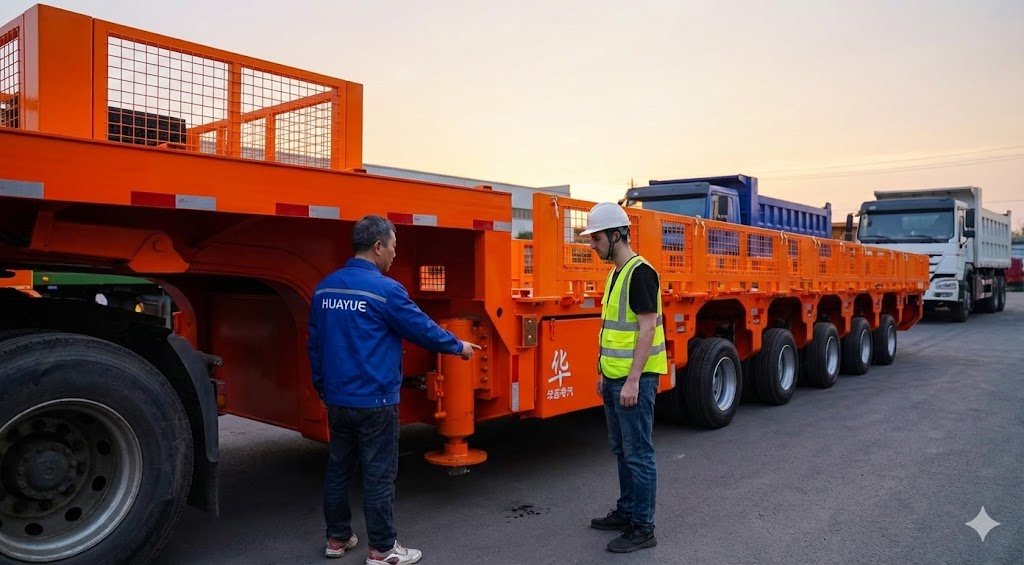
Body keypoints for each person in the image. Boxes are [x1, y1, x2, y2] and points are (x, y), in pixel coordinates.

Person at [308, 215, 480, 563]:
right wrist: (457, 347)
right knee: (379, 474)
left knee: (339, 470)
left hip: (338, 399)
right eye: (392, 247)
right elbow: (421, 328)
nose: (394, 255)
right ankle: (383, 548)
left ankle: (337, 539)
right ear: (377, 247)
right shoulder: (386, 290)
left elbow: (315, 345)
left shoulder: (325, 288)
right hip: (375, 399)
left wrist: (323, 389)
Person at [581, 202, 667, 553]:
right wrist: (604, 373)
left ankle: (643, 528)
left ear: (616, 235)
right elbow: (613, 331)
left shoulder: (640, 273)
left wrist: (632, 380)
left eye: (597, 238)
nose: (593, 245)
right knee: (623, 450)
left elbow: (646, 330)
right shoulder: (616, 274)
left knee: (639, 453)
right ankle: (627, 511)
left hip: (636, 381)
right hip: (615, 380)